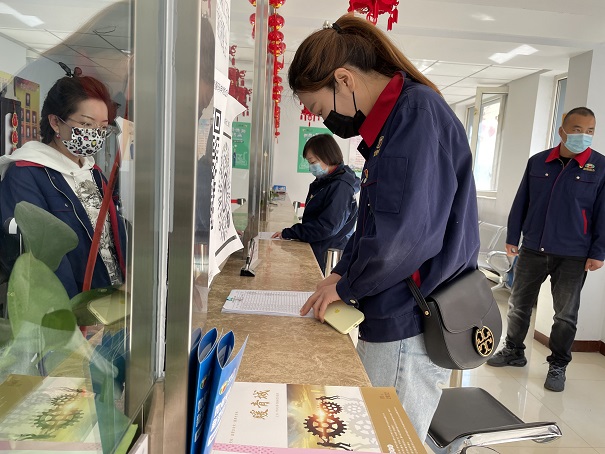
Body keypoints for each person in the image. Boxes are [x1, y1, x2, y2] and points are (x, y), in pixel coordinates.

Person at [291, 16, 479, 441]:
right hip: (394, 310)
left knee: (386, 441)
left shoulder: (414, 115)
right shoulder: (393, 124)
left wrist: (348, 284)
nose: (325, 121)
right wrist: (341, 274)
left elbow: (405, 237)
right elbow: (375, 221)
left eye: (320, 109)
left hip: (409, 319)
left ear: (344, 80)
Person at [487, 107, 604, 392]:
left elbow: (603, 213)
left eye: (590, 131)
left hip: (574, 254)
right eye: (577, 129)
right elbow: (522, 201)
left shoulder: (600, 167)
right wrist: (513, 236)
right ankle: (513, 351)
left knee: (565, 315)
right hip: (533, 249)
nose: (583, 135)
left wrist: (598, 251)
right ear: (562, 131)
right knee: (518, 304)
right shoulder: (539, 162)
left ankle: (558, 365)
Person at [0, 75, 127, 299]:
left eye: (102, 127)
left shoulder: (93, 172)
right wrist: (68, 313)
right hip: (73, 308)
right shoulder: (26, 174)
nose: (95, 135)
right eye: (86, 124)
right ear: (55, 122)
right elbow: (40, 259)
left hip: (110, 300)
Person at [272, 134, 360, 271]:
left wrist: (291, 232)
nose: (311, 167)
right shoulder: (326, 181)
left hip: (328, 254)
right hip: (320, 247)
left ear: (328, 156)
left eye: (313, 162)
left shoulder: (341, 186)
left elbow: (326, 227)